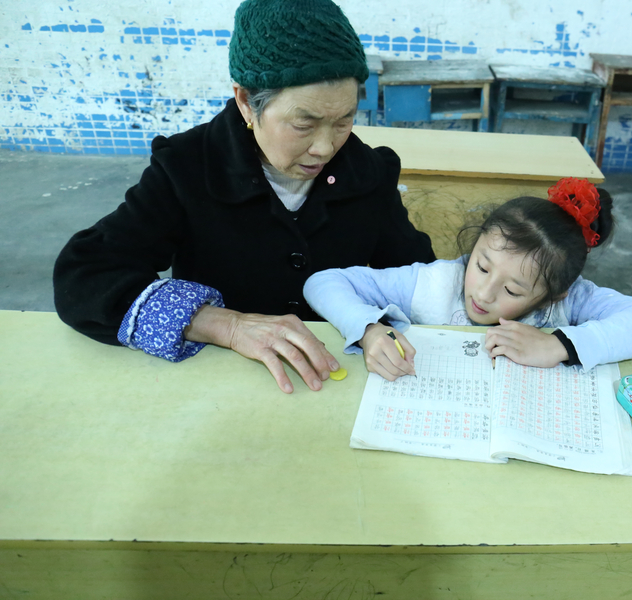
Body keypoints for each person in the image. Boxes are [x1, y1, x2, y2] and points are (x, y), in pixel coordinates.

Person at [52, 0, 435, 394]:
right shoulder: (188, 169)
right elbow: (85, 276)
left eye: (344, 120)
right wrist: (226, 325)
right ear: (246, 102)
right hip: (216, 389)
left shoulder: (366, 173)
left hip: (337, 383)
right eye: (304, 123)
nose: (325, 147)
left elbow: (421, 279)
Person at [303, 177, 632, 381]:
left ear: (552, 296)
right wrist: (369, 329)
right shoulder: (437, 283)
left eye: (513, 290)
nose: (483, 292)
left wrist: (560, 346)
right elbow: (323, 282)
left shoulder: (569, 302)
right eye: (482, 266)